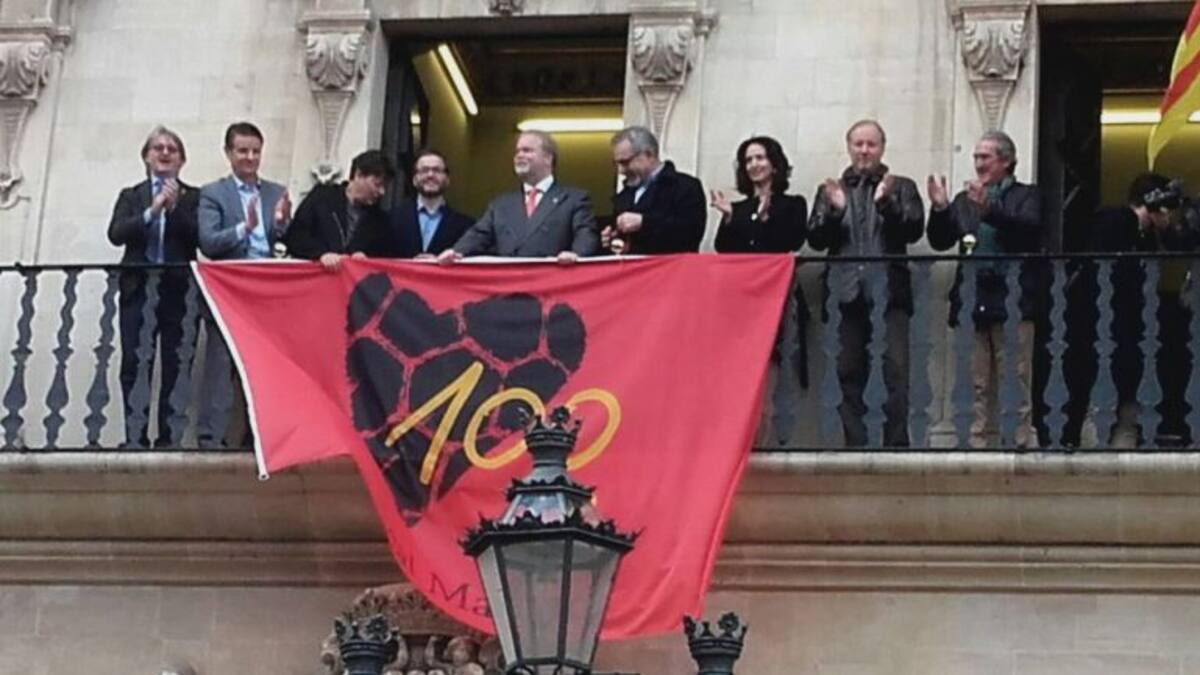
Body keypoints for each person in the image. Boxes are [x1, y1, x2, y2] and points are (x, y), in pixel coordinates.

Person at [808, 120, 925, 447]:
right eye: (858, 144)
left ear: (882, 148)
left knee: (896, 372)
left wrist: (887, 203)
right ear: (848, 147)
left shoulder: (902, 186)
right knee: (846, 371)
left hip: (889, 292)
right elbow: (816, 238)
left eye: (871, 144)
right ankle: (855, 443)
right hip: (845, 293)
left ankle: (896, 445)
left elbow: (913, 229)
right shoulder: (831, 189)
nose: (864, 151)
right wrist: (834, 211)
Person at [927, 129, 1043, 449]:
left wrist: (989, 209)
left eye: (985, 157)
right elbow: (940, 240)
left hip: (1013, 297)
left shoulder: (1026, 195)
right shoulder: (965, 200)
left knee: (1015, 376)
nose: (978, 163)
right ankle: (974, 440)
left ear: (1005, 161)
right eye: (976, 156)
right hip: (972, 297)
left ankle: (1017, 439)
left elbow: (1028, 232)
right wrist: (939, 208)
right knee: (973, 379)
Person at [1063, 173, 1184, 447]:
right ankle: (1094, 448)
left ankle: (1120, 448)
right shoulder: (1115, 220)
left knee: (1127, 400)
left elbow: (1178, 247)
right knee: (1100, 397)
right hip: (1103, 326)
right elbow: (1106, 272)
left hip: (1128, 329)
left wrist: (1165, 230)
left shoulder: (1145, 236)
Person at [197, 121, 292, 447]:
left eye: (255, 151)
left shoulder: (276, 192)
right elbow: (208, 242)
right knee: (221, 367)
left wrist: (281, 224)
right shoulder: (213, 193)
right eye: (243, 151)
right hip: (230, 291)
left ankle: (260, 437)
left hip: (268, 292)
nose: (250, 157)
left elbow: (285, 241)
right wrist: (243, 228)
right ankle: (212, 439)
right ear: (229, 153)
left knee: (264, 367)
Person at [106, 125, 200, 448]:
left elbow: (198, 237)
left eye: (171, 149)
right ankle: (135, 435)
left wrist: (173, 211)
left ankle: (168, 438)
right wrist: (152, 211)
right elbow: (117, 233)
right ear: (146, 157)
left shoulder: (193, 197)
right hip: (138, 289)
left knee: (176, 363)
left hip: (178, 293)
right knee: (135, 361)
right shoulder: (131, 196)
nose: (164, 153)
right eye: (157, 148)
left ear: (181, 160)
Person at [712, 135, 810, 385]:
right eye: (748, 160)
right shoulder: (738, 208)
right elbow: (723, 249)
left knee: (774, 374)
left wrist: (765, 220)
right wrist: (730, 218)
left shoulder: (793, 205)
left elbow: (793, 240)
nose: (754, 164)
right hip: (743, 301)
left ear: (774, 164)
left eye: (760, 157)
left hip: (777, 299)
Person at [438, 130, 598, 263]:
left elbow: (585, 235)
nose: (519, 155)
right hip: (510, 291)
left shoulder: (574, 199)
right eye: (518, 151)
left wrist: (577, 256)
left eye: (527, 150)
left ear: (548, 158)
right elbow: (478, 235)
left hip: (552, 289)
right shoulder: (500, 205)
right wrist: (455, 252)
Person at [284, 149, 399, 270]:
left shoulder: (380, 221)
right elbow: (296, 236)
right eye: (377, 184)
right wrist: (320, 254)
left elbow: (388, 259)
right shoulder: (322, 198)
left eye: (385, 187)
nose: (382, 192)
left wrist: (367, 258)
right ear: (358, 175)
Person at [604, 125, 706, 254]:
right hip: (634, 271)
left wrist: (644, 222)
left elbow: (690, 233)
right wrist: (612, 239)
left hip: (672, 270)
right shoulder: (626, 194)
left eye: (625, 162)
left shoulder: (686, 187)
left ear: (649, 154)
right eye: (616, 163)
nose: (621, 170)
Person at [391, 150, 474, 258]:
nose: (430, 175)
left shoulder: (466, 226)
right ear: (414, 180)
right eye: (424, 170)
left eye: (437, 170)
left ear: (447, 179)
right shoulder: (391, 219)